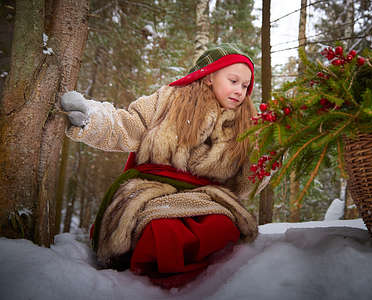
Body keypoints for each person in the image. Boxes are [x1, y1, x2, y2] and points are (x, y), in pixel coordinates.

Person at [61, 44, 259, 289]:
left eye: (245, 86)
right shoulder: (167, 100)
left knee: (220, 226)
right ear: (209, 76)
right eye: (233, 81)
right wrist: (90, 119)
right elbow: (126, 125)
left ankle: (204, 284)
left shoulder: (247, 125)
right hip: (153, 190)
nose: (240, 91)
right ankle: (154, 280)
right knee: (161, 228)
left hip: (207, 198)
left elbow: (248, 181)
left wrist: (272, 153)